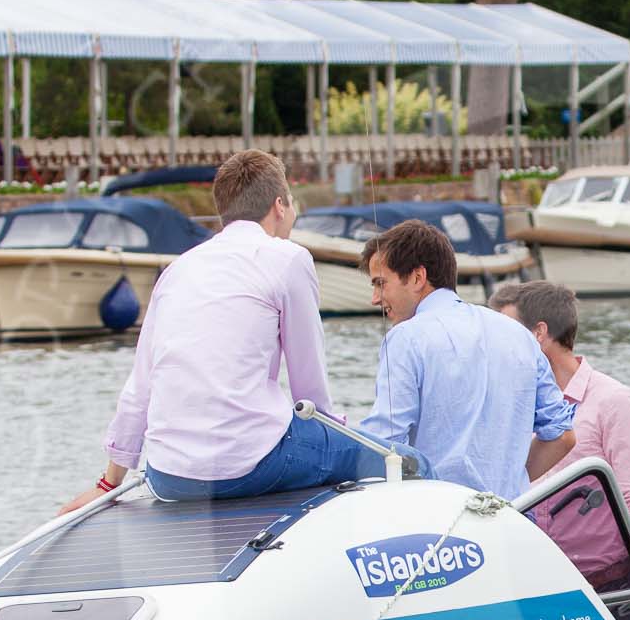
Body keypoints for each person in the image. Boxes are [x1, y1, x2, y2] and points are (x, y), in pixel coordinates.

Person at [60, 149, 417, 513]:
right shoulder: (288, 258)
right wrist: (341, 439)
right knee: (405, 462)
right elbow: (310, 394)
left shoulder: (177, 270)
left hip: (169, 474)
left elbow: (140, 387)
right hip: (246, 466)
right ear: (280, 206)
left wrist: (108, 484)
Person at [360, 220, 575, 499]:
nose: (375, 299)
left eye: (380, 283)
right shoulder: (519, 335)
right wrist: (509, 484)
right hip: (513, 517)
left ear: (417, 278)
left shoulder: (406, 337)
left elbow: (385, 446)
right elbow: (562, 435)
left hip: (440, 521)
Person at [501, 280, 630, 543]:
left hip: (605, 572)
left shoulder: (614, 401)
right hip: (532, 564)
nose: (496, 344)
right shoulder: (508, 403)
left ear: (538, 334)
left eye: (506, 332)